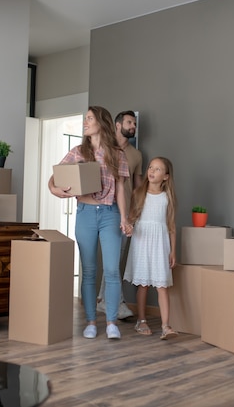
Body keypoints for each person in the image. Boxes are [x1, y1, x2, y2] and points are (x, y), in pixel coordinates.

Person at [48, 106, 131, 340]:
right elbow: (54, 179)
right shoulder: (77, 152)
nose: (85, 122)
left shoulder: (117, 154)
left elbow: (122, 189)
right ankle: (91, 322)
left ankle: (112, 322)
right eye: (85, 119)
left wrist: (124, 218)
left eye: (90, 119)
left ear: (101, 123)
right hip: (85, 213)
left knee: (112, 270)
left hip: (110, 214)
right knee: (89, 271)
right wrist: (56, 190)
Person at [123, 156, 178, 340]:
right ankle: (141, 320)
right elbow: (131, 218)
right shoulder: (139, 193)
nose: (152, 171)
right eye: (150, 168)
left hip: (160, 244)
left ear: (166, 177)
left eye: (158, 169)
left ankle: (166, 326)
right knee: (144, 284)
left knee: (162, 285)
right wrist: (128, 226)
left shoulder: (167, 197)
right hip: (141, 241)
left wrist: (173, 250)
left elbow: (171, 225)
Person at [97, 110, 143, 319]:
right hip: (103, 208)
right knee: (111, 258)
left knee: (115, 258)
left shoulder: (136, 155)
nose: (133, 126)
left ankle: (104, 300)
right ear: (117, 125)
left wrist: (138, 210)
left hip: (125, 212)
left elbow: (137, 186)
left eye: (134, 123)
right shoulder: (103, 147)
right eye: (129, 122)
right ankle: (111, 301)